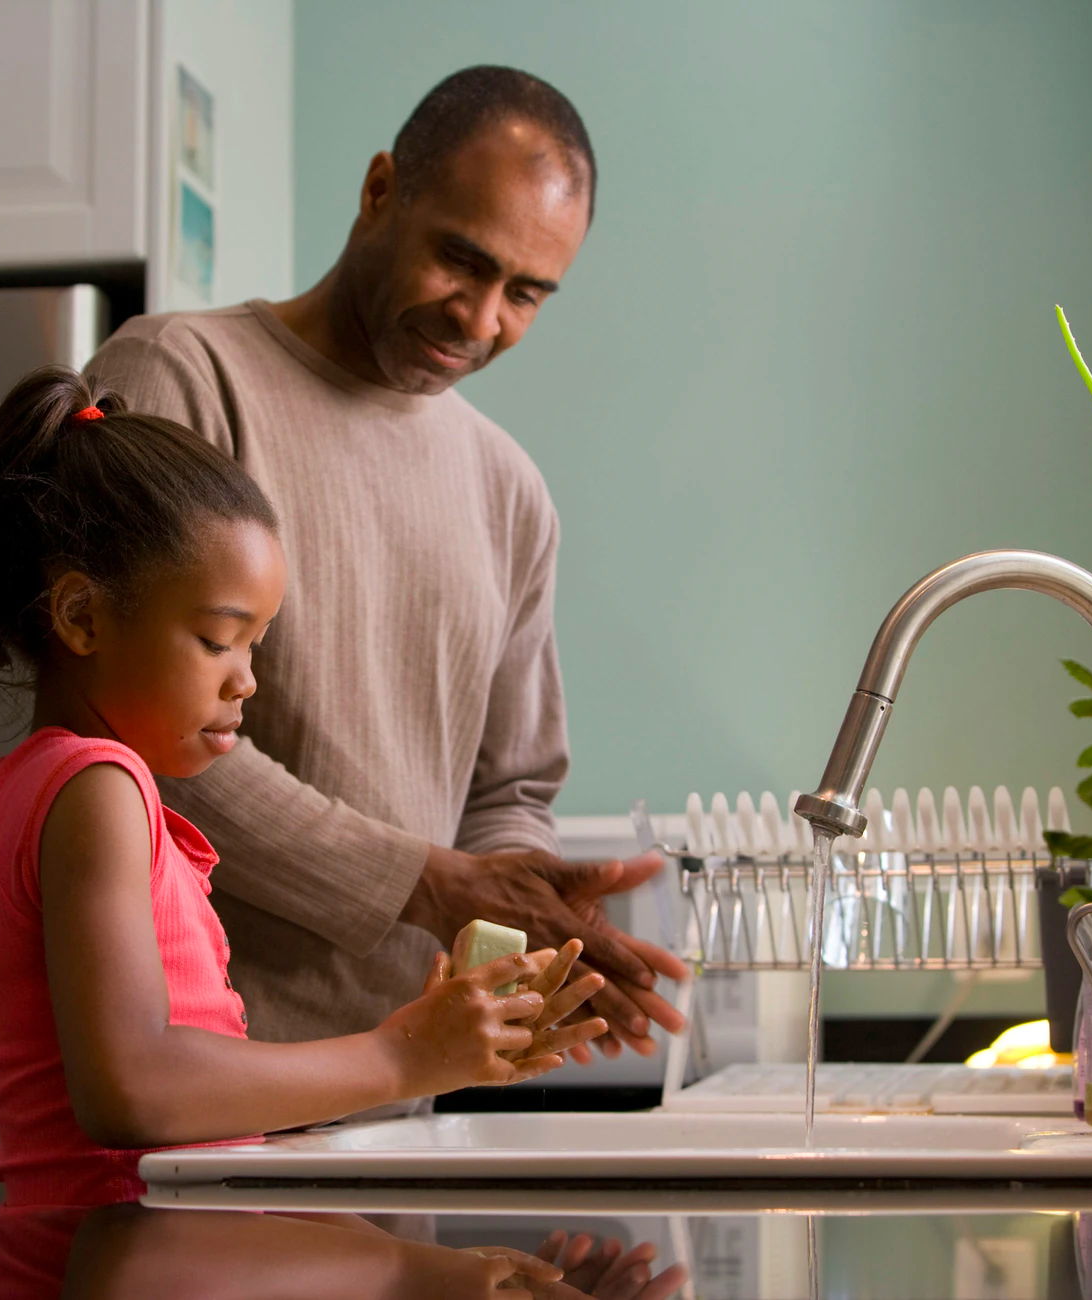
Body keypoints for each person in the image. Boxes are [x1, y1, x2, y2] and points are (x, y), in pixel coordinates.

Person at [86, 66, 686, 1063]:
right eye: (462, 259)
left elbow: (508, 789)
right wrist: (431, 883)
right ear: (379, 193)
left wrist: (524, 908)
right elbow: (131, 734)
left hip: (397, 1088)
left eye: (527, 293)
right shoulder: (179, 379)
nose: (481, 318)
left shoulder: (509, 491)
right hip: (188, 1078)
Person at [0, 366, 606, 1207]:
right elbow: (135, 1087)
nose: (247, 682)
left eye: (257, 647)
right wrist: (400, 1057)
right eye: (217, 640)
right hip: (111, 1261)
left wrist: (426, 1047)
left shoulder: (42, 782)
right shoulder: (98, 787)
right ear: (82, 618)